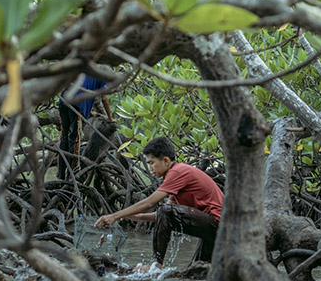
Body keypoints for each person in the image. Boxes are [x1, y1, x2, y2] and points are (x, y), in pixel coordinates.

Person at [95, 136, 223, 270]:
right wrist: (133, 216)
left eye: (152, 163)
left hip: (217, 223)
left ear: (166, 161)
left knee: (164, 210)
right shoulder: (177, 175)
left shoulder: (177, 171)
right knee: (197, 270)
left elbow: (151, 203)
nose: (150, 168)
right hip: (217, 228)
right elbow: (161, 217)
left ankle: (155, 265)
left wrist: (114, 216)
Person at [58, 74, 114, 179]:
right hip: (77, 103)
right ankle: (70, 176)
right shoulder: (101, 73)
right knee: (74, 139)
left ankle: (60, 175)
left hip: (64, 100)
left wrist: (90, 113)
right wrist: (110, 119)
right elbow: (104, 99)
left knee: (64, 138)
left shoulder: (84, 68)